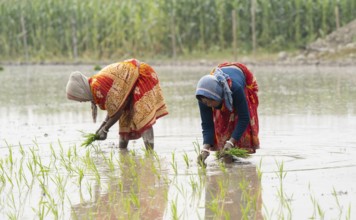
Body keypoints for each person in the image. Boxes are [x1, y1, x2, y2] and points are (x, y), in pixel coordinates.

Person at [66, 58, 168, 150]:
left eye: (77, 98)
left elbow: (117, 112)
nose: (80, 101)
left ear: (81, 92)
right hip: (130, 83)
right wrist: (102, 127)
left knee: (142, 116)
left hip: (141, 76)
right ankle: (123, 153)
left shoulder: (98, 88)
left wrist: (105, 130)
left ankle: (150, 156)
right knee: (125, 121)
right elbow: (114, 107)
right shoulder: (94, 86)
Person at [195, 62, 259, 164]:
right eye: (206, 103)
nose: (209, 106)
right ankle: (226, 154)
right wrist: (205, 149)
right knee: (222, 123)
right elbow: (207, 124)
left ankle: (232, 150)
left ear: (219, 96)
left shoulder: (236, 89)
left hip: (240, 79)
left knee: (238, 118)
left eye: (210, 102)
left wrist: (230, 142)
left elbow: (244, 118)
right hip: (220, 82)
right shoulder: (204, 96)